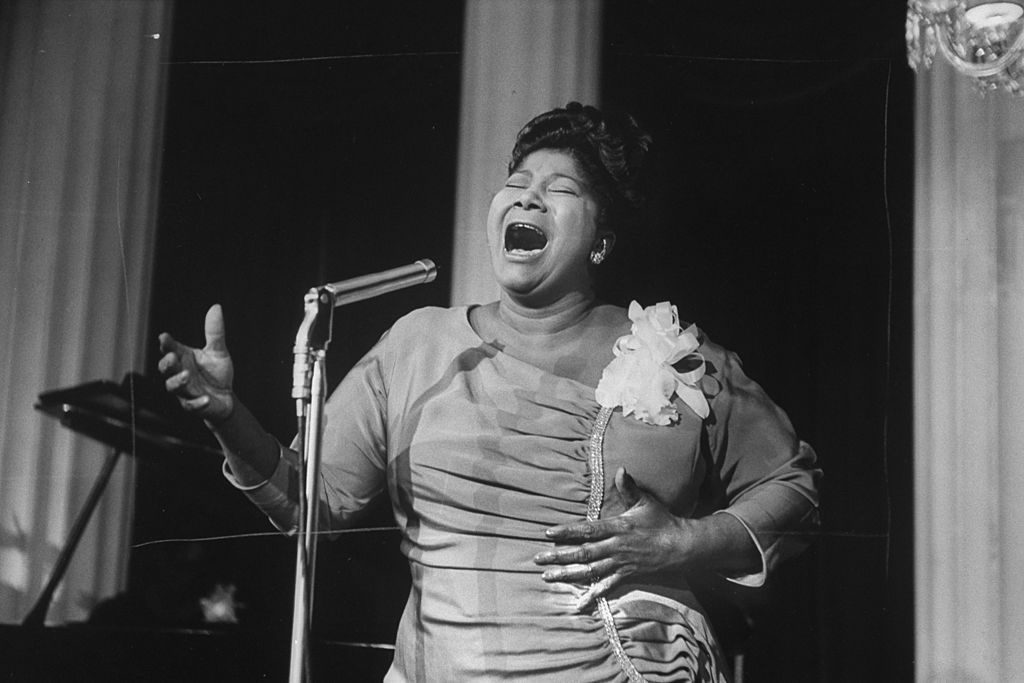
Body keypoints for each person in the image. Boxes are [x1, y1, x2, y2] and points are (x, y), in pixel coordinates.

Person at [158, 102, 820, 682]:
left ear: (602, 240)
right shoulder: (419, 346)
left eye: (558, 189)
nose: (527, 198)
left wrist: (681, 541)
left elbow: (794, 488)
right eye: (516, 183)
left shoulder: (675, 352)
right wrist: (227, 417)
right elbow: (311, 504)